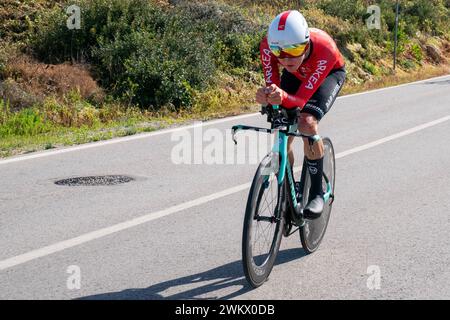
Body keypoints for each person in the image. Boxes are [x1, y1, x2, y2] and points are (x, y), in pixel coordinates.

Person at [256, 10, 346, 219]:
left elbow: (302, 100)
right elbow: (273, 85)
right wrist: (268, 95)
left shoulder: (325, 48)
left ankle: (316, 192)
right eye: (279, 51)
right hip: (296, 76)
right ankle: (289, 188)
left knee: (306, 121)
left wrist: (281, 97)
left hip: (328, 74)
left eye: (294, 49)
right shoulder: (268, 47)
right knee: (281, 126)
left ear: (305, 44)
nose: (286, 58)